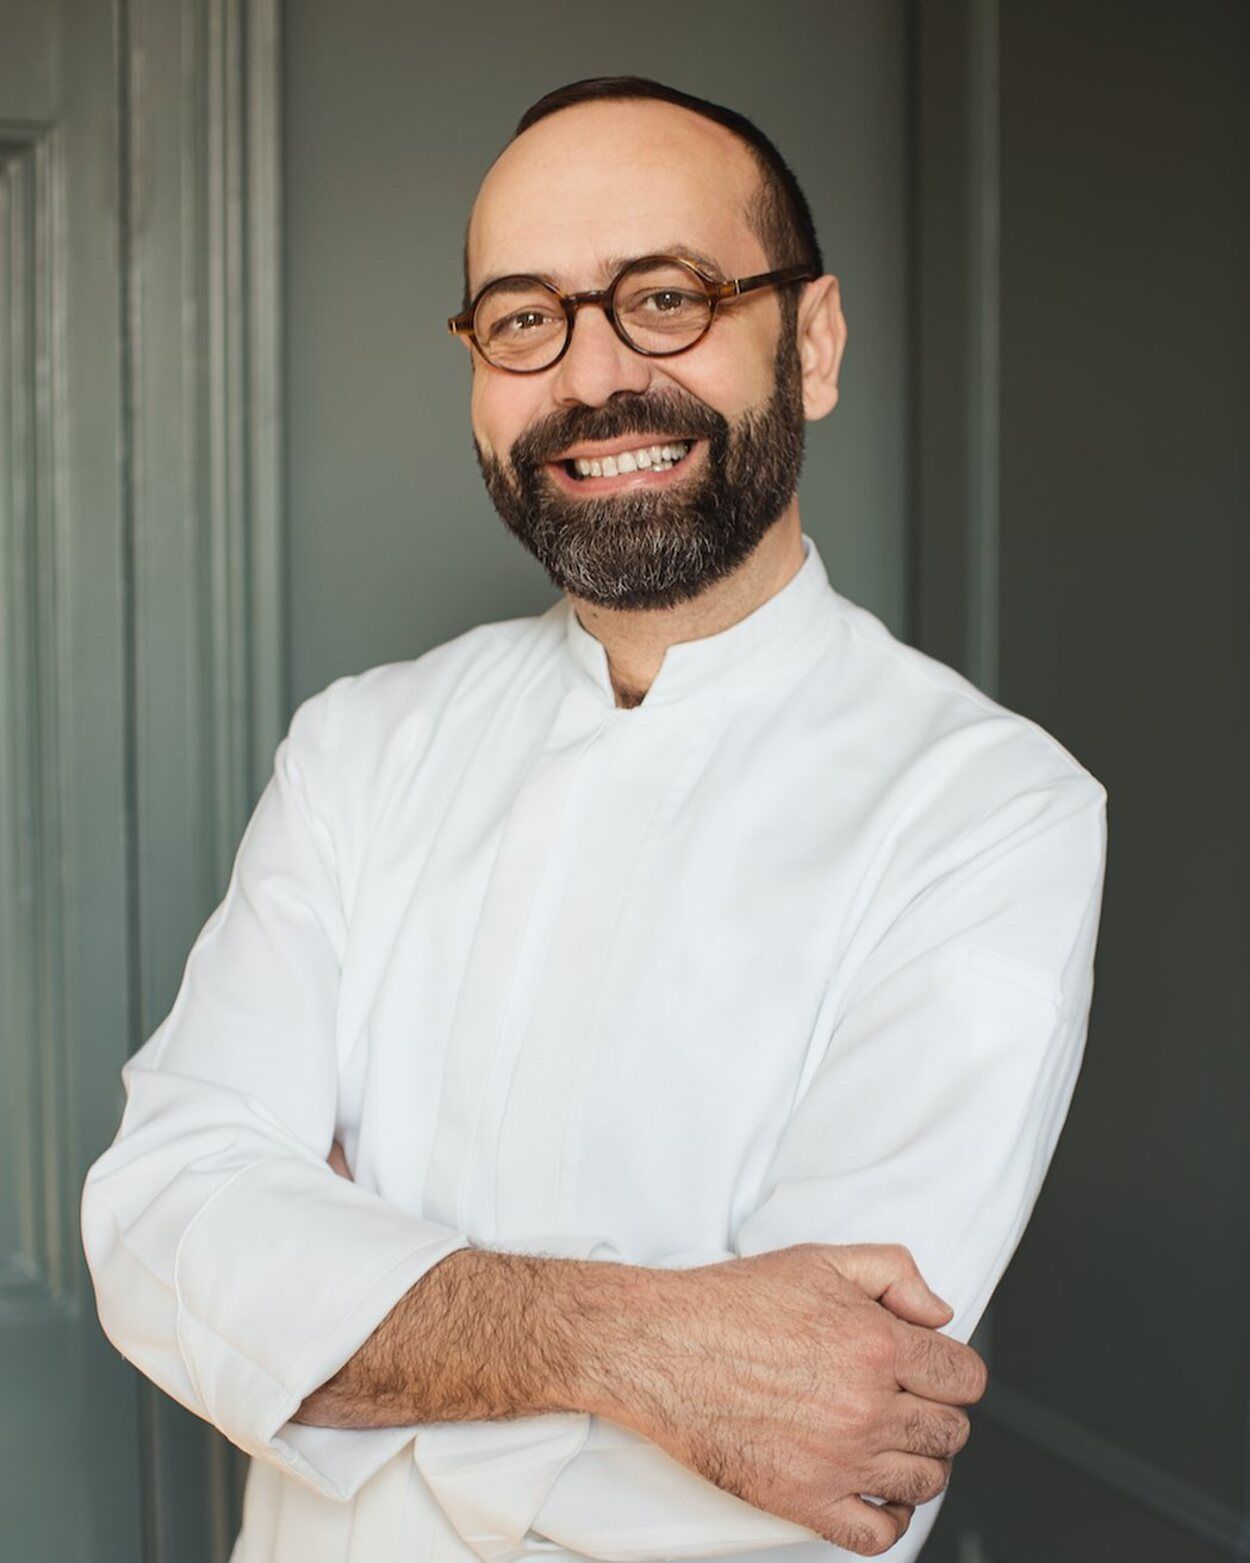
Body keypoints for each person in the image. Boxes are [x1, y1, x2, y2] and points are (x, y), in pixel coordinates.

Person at [80, 75, 1108, 1563]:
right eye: (521, 318)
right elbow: (161, 1230)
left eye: (666, 297)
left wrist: (336, 1304)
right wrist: (656, 1348)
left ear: (808, 342)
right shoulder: (358, 746)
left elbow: (825, 1434)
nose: (589, 377)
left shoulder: (986, 809)